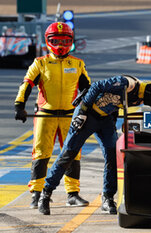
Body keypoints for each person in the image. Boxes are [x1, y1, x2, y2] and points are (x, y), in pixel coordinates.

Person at [37, 75, 151, 215]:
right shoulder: (128, 84)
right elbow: (97, 86)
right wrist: (82, 112)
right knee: (68, 154)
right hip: (87, 116)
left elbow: (117, 105)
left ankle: (108, 198)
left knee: (113, 156)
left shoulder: (139, 98)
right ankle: (46, 194)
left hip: (106, 120)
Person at [14, 22, 91, 209]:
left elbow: (89, 90)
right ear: (48, 41)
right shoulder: (40, 63)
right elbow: (26, 85)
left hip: (70, 117)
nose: (60, 45)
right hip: (45, 116)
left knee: (73, 154)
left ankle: (72, 194)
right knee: (41, 154)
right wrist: (19, 106)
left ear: (71, 42)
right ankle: (36, 194)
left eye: (65, 41)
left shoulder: (78, 64)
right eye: (55, 41)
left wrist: (92, 111)